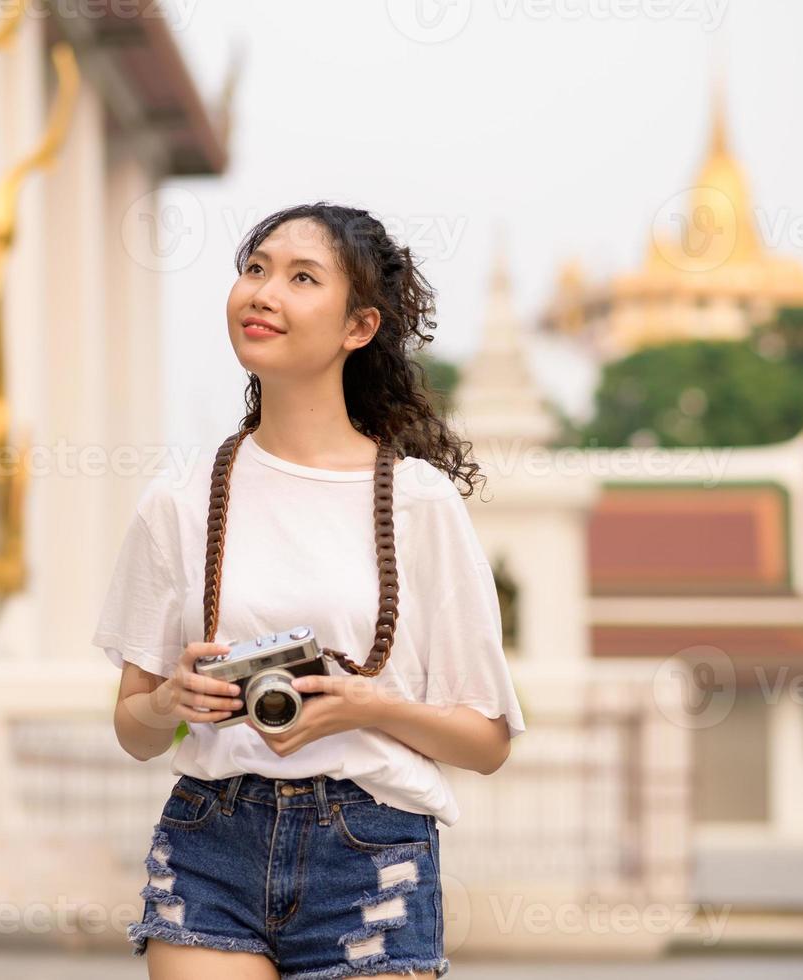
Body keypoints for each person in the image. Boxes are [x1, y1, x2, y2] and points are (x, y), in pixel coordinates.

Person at [92, 202, 525, 980]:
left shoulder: (417, 502)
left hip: (370, 849)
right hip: (209, 839)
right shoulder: (180, 501)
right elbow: (134, 727)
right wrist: (172, 704)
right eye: (254, 270)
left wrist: (366, 707)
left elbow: (486, 742)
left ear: (358, 327)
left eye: (300, 278)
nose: (262, 293)